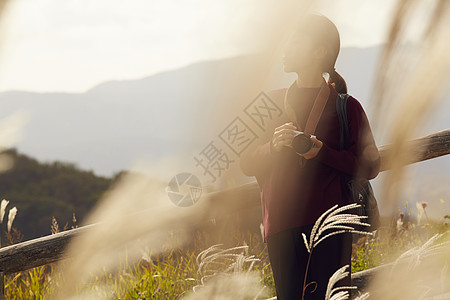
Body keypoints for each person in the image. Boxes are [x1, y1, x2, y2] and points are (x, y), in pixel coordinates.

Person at [239, 14, 381, 299]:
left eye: (295, 41)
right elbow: (244, 162)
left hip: (333, 225)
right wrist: (273, 147)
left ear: (320, 52)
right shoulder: (266, 103)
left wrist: (322, 153)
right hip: (280, 227)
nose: (286, 47)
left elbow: (372, 165)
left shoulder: (347, 106)